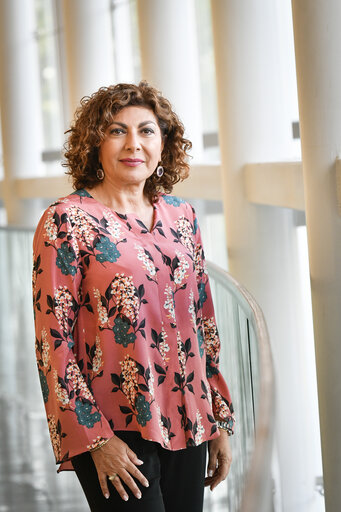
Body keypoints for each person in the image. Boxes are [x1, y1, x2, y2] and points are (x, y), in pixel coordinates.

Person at [32, 81, 235, 511]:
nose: (133, 144)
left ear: (163, 144)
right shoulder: (65, 220)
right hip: (113, 422)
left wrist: (216, 420)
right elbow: (54, 343)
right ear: (95, 143)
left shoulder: (182, 216)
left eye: (146, 131)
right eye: (116, 131)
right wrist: (95, 439)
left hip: (189, 414)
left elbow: (204, 323)